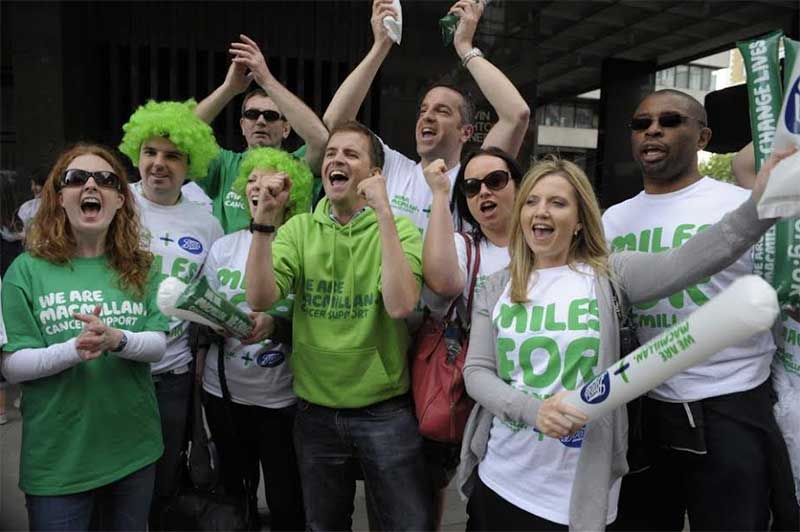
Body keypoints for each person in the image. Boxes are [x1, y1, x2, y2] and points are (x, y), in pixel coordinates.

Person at [457, 149, 791, 531]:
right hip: (500, 480)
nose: (541, 211)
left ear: (581, 220)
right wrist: (535, 412)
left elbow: (689, 261)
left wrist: (760, 206)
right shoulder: (497, 286)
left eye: (558, 203)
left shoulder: (611, 274)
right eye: (531, 201)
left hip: (576, 493)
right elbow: (478, 372)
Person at [602, 89, 798, 530]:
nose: (653, 129)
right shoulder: (610, 221)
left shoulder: (741, 206)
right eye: (641, 123)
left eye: (671, 120)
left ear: (703, 136)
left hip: (731, 405)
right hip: (645, 410)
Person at [244, 121, 433, 530]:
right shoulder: (298, 229)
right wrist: (263, 223)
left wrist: (384, 210)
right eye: (331, 154)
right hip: (316, 413)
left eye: (351, 154)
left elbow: (401, 304)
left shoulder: (400, 229)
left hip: (385, 410)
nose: (336, 160)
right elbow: (259, 298)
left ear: (374, 175)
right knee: (324, 526)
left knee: (405, 525)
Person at [0, 144, 168, 531]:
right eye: (76, 179)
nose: (91, 185)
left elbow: (158, 344)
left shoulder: (143, 266)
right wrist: (73, 349)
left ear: (121, 199)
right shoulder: (25, 270)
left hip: (134, 452)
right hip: (58, 462)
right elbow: (12, 366)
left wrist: (117, 340)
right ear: (59, 198)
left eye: (106, 180)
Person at [323, 0, 529, 232]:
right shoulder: (392, 168)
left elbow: (516, 115)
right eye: (423, 110)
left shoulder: (473, 181)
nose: (428, 117)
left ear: (466, 131)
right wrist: (380, 46)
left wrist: (464, 47)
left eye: (442, 111)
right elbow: (337, 123)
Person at [118, 99, 224, 527]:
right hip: (110, 370)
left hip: (171, 375)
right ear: (136, 154)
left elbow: (208, 299)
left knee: (162, 482)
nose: (159, 163)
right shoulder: (112, 201)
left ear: (190, 163)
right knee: (112, 479)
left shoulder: (207, 222)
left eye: (172, 155)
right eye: (150, 152)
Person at [201, 147, 312, 531]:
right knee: (235, 495)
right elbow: (203, 311)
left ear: (288, 191)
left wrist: (276, 327)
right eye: (251, 179)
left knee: (287, 498)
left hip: (283, 398)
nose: (258, 188)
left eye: (269, 181)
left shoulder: (304, 244)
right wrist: (212, 322)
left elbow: (316, 321)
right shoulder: (222, 247)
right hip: (224, 393)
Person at [420, 147, 523, 520]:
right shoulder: (466, 247)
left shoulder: (551, 246)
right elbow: (443, 283)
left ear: (519, 185)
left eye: (496, 181)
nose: (484, 193)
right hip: (478, 399)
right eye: (472, 187)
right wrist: (439, 194)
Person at [194, 34, 328, 233]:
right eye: (252, 114)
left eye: (271, 115)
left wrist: (265, 79)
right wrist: (228, 89)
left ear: (286, 128)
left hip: (283, 260)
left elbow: (321, 139)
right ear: (242, 125)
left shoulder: (298, 164)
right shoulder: (224, 164)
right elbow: (186, 131)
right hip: (229, 261)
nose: (261, 121)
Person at [17, 165, 47, 231]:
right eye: (32, 184)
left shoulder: (60, 207)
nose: (33, 188)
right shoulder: (27, 207)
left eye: (37, 184)